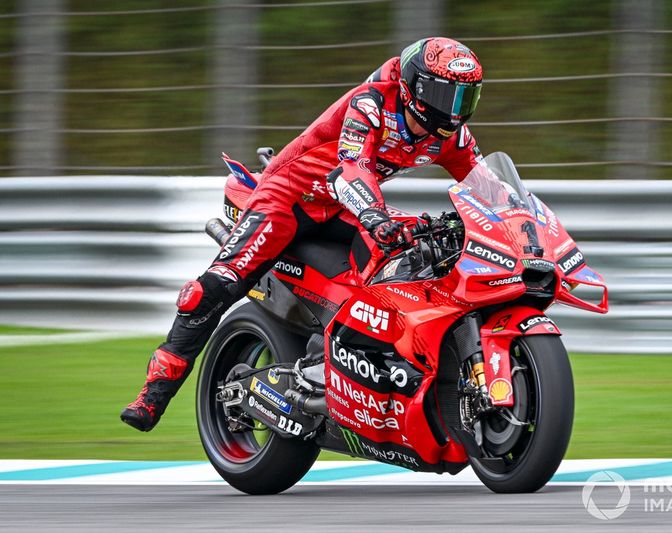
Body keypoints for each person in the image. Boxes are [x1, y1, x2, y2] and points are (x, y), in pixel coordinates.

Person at [121, 37, 485, 432]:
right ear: (415, 87)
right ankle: (153, 394)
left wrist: (528, 230)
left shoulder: (450, 135)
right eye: (445, 95)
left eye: (464, 99)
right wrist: (375, 217)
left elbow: (488, 185)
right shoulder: (372, 105)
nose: (453, 110)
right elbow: (351, 170)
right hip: (290, 197)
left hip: (341, 207)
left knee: (412, 255)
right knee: (218, 284)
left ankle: (355, 369)